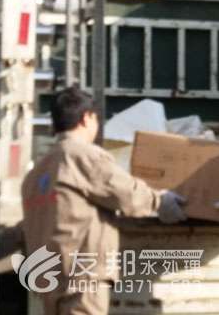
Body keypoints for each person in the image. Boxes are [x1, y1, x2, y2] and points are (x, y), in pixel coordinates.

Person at [21, 87, 187, 315]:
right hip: (81, 276)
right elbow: (124, 192)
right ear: (87, 118)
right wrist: (160, 200)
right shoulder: (82, 155)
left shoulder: (37, 172)